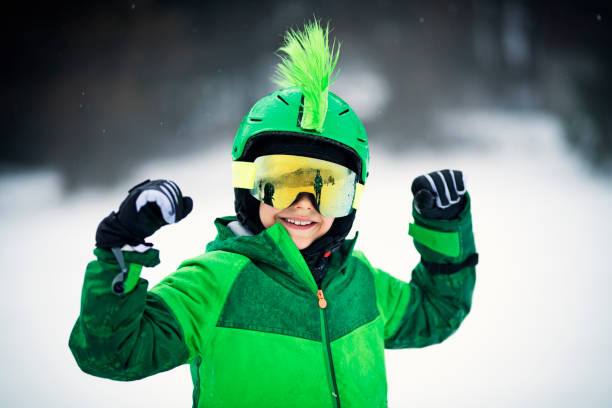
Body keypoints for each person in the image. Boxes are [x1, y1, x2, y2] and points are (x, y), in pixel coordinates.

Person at [69, 21, 477, 408]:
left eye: (327, 188)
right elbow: (111, 354)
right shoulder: (215, 283)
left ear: (352, 198)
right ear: (249, 186)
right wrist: (121, 248)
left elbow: (436, 313)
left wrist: (443, 231)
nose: (303, 204)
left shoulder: (359, 282)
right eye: (281, 182)